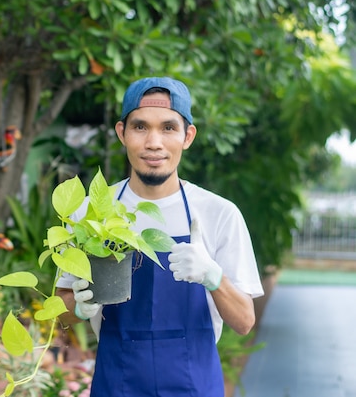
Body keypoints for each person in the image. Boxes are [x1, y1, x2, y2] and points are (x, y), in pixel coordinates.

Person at [56, 77, 264, 397]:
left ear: (187, 136)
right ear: (122, 133)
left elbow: (244, 322)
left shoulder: (219, 214)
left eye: (168, 128)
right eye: (140, 127)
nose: (154, 142)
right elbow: (60, 312)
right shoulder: (90, 215)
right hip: (117, 384)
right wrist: (80, 308)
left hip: (194, 385)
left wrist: (213, 277)